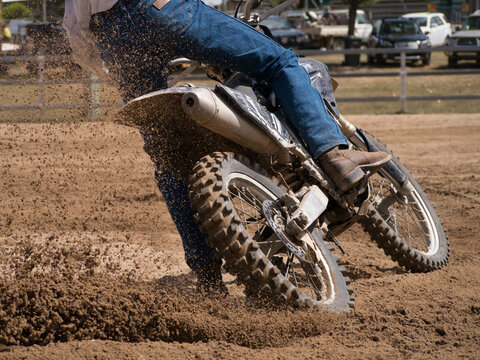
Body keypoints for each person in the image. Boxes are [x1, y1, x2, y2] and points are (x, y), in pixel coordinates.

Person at [63, 0, 390, 294]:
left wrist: (114, 60)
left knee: (167, 153)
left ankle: (206, 274)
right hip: (163, 10)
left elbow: (74, 32)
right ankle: (334, 157)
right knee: (279, 62)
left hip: (112, 39)